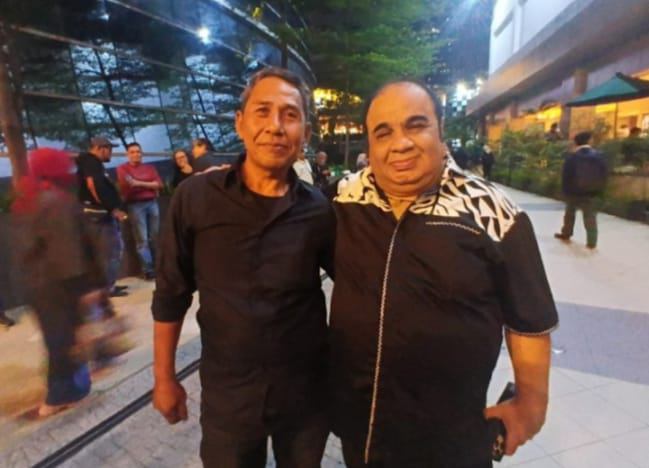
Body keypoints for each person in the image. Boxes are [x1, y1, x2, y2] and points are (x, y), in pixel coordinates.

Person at [330, 80, 559, 468]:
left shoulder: (493, 212)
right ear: (369, 144)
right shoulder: (344, 197)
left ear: (440, 129)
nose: (400, 144)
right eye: (383, 132)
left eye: (416, 125)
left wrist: (531, 404)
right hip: (362, 432)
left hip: (452, 441)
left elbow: (529, 320)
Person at [152, 67, 335, 468]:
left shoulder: (319, 209)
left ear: (305, 133)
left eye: (290, 115)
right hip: (229, 397)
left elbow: (357, 283)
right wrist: (164, 377)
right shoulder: (195, 198)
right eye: (262, 111)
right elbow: (170, 293)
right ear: (240, 123)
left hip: (304, 394)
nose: (275, 126)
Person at [11, 148, 104, 416]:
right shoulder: (55, 201)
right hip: (56, 285)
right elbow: (67, 252)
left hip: (39, 283)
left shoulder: (32, 197)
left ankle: (74, 388)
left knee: (61, 337)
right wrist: (85, 287)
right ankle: (59, 396)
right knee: (61, 339)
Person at [76, 136, 128, 297]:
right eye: (109, 149)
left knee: (110, 251)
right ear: (100, 148)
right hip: (99, 215)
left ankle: (108, 285)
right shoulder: (91, 162)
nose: (111, 153)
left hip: (98, 214)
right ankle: (107, 288)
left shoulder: (91, 163)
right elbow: (94, 185)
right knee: (111, 251)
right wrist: (112, 208)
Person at [117, 142, 163, 280]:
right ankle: (148, 270)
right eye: (132, 152)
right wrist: (150, 184)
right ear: (127, 154)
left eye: (138, 151)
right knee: (142, 240)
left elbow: (159, 184)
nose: (136, 154)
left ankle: (159, 267)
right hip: (135, 205)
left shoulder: (150, 168)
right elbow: (128, 185)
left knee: (155, 237)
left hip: (152, 203)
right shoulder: (122, 168)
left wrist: (139, 183)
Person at [554, 131, 608, 249]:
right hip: (591, 192)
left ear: (576, 143)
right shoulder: (598, 156)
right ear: (589, 141)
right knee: (590, 217)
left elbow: (566, 175)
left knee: (570, 214)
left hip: (574, 191)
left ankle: (566, 233)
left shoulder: (572, 157)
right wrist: (600, 190)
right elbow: (604, 174)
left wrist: (565, 190)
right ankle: (592, 241)